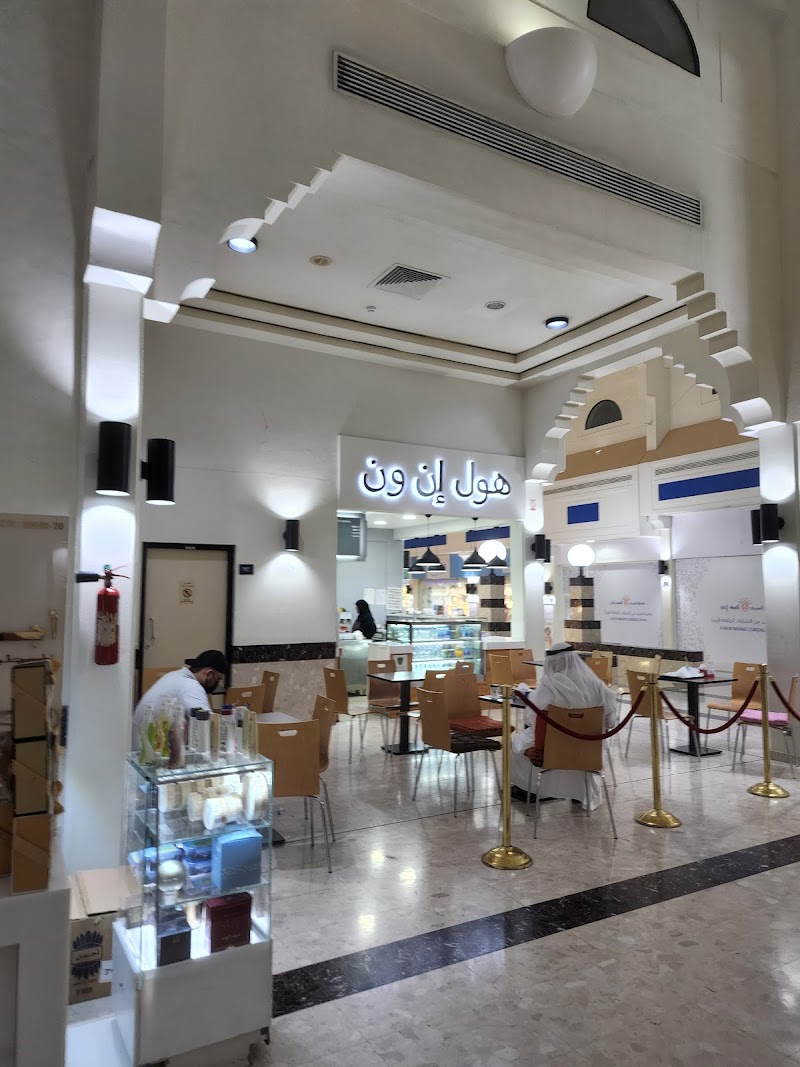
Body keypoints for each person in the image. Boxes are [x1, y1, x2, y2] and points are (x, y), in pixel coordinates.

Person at [511, 643, 618, 810]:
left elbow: (532, 719)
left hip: (552, 754)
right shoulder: (597, 686)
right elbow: (611, 722)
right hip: (589, 754)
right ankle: (578, 792)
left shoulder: (548, 686)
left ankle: (532, 791)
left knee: (517, 744)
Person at [131, 649, 227, 749]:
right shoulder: (192, 687)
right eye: (218, 679)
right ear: (209, 674)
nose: (217, 684)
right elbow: (209, 728)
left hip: (140, 746)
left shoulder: (173, 675)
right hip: (151, 752)